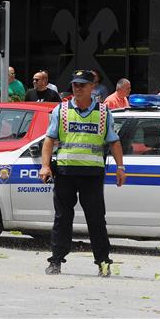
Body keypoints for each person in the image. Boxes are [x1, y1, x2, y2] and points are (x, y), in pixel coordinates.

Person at [39, 69, 126, 277]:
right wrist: (45, 166)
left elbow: (114, 141)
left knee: (96, 220)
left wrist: (120, 168)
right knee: (62, 219)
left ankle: (103, 262)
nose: (77, 88)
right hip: (65, 173)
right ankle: (56, 261)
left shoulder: (104, 112)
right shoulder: (61, 110)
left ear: (92, 87)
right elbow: (49, 140)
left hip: (92, 175)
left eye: (82, 85)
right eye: (75, 85)